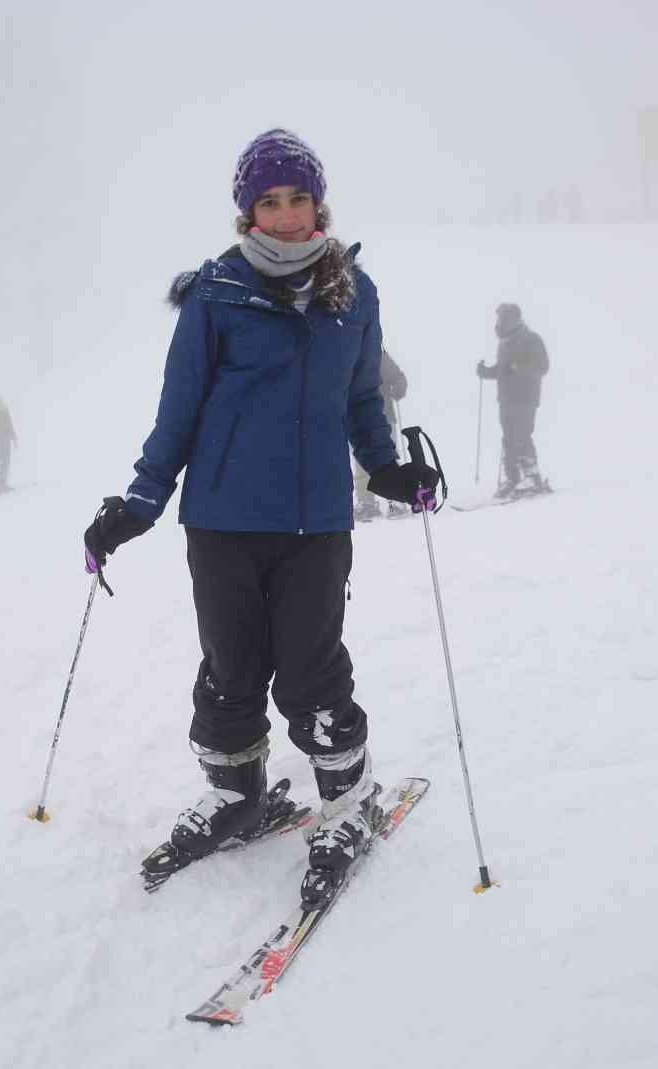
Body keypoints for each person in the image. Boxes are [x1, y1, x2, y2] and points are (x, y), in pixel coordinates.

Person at [82, 128, 440, 908]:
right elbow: (178, 411)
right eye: (268, 202)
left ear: (319, 205)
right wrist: (140, 501)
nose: (284, 215)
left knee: (312, 672)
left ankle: (347, 804)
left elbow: (360, 401)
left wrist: (385, 468)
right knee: (232, 668)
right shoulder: (217, 293)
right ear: (248, 213)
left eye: (297, 199)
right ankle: (237, 795)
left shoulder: (355, 294)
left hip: (316, 524)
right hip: (221, 520)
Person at [476, 302, 550, 497]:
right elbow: (503, 371)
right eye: (499, 318)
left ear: (515, 319)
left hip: (525, 397)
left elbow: (542, 366)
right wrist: (486, 372)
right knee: (508, 438)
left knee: (522, 435)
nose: (500, 322)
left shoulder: (531, 339)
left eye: (504, 318)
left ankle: (532, 477)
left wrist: (518, 368)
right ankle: (513, 478)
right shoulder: (505, 343)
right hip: (506, 398)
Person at [353, 348, 408, 521]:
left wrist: (398, 388)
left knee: (387, 457)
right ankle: (367, 503)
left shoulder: (379, 355)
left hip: (383, 415)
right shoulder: (348, 352)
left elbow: (399, 378)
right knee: (362, 462)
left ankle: (396, 501)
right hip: (357, 419)